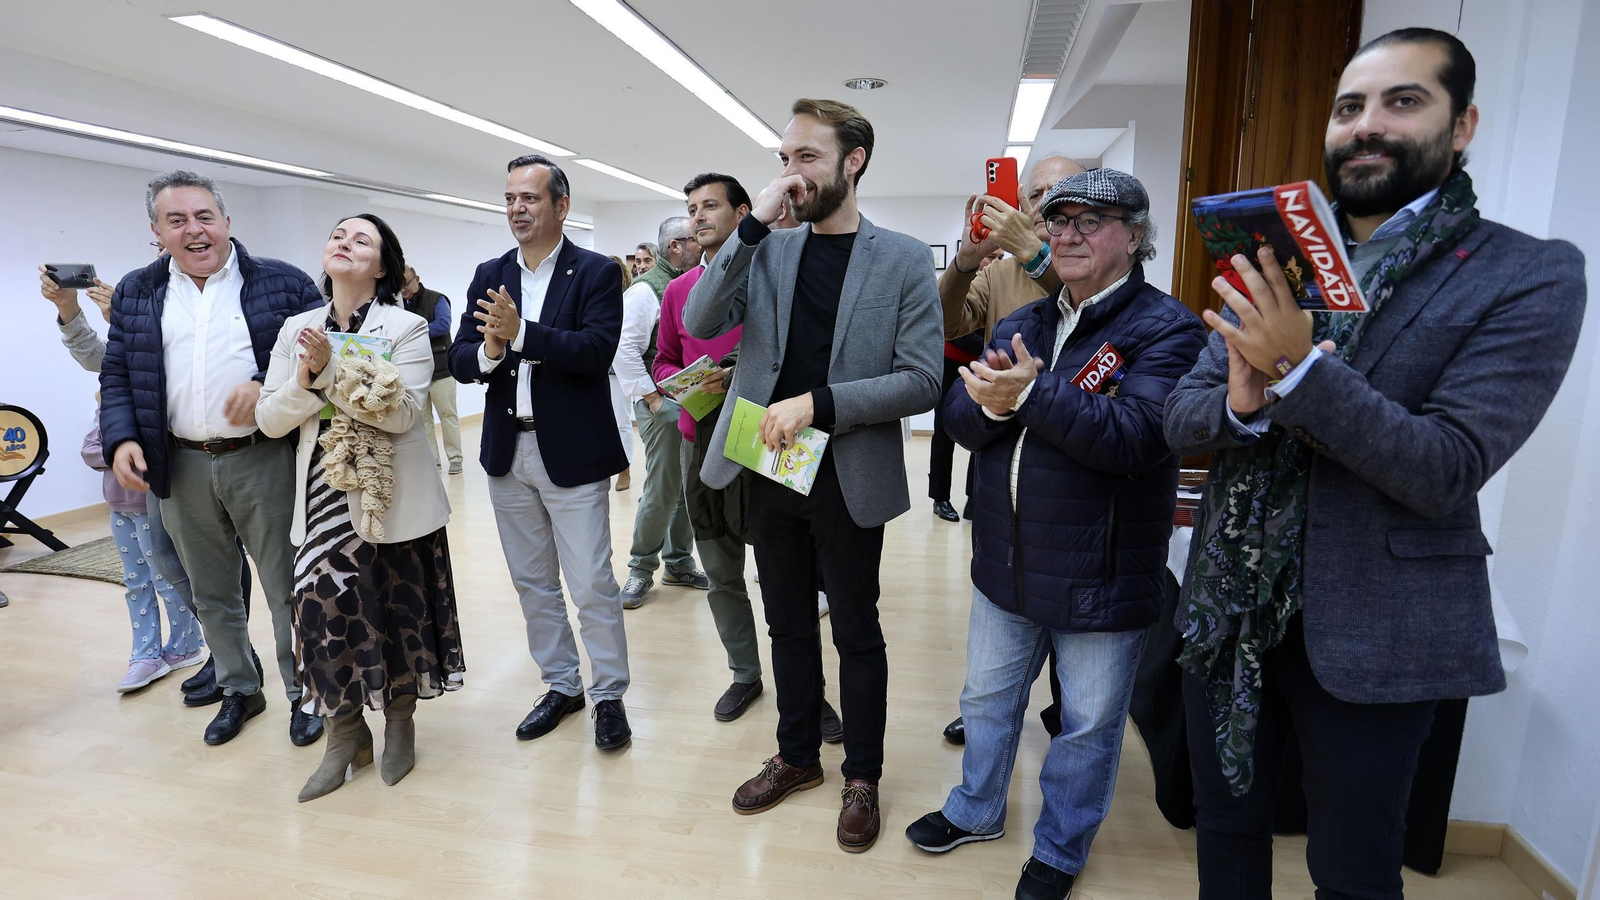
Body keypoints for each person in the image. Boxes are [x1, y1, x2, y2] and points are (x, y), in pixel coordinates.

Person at [1164, 29, 1586, 900]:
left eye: (1403, 101)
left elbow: (1446, 465)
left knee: (1354, 872)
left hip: (1378, 629)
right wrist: (1241, 404)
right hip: (1229, 614)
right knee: (1226, 833)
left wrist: (1304, 371)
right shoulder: (1272, 255)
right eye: (1350, 106)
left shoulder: (1527, 273)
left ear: (1461, 124)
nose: (1367, 126)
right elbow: (1181, 418)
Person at [906, 168, 1205, 900]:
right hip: (1006, 561)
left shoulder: (1168, 328)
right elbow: (962, 417)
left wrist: (1032, 394)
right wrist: (998, 406)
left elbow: (1135, 437)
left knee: (1087, 727)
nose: (1066, 235)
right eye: (1057, 220)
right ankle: (976, 810)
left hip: (1101, 574)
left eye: (1090, 222)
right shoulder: (1028, 321)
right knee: (984, 701)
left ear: (1135, 237)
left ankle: (1061, 849)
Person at [684, 99, 942, 853]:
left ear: (853, 161)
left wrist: (820, 404)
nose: (791, 174)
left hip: (848, 471)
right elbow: (701, 320)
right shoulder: (769, 247)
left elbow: (924, 380)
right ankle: (798, 754)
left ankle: (862, 774)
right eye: (784, 158)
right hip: (768, 465)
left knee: (856, 631)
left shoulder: (899, 258)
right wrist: (751, 225)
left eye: (808, 158)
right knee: (788, 622)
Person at [99, 169, 325, 747]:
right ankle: (239, 689)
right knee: (211, 590)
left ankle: (305, 692)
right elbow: (120, 375)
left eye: (204, 217)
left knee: (285, 584)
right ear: (157, 231)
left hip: (263, 457)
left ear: (227, 222)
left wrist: (264, 384)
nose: (193, 231)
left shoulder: (284, 283)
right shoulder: (136, 291)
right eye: (176, 220)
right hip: (180, 462)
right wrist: (123, 438)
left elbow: (324, 361)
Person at [258, 213, 464, 801]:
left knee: (396, 614)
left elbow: (400, 413)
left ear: (383, 266)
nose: (345, 244)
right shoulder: (296, 328)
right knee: (323, 622)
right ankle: (343, 738)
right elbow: (271, 419)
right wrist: (309, 377)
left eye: (362, 240)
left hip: (389, 496)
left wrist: (326, 375)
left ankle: (399, 723)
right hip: (321, 495)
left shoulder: (407, 328)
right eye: (337, 235)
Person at [449, 154, 633, 750]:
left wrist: (522, 332)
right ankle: (562, 685)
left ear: (561, 205)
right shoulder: (490, 271)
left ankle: (609, 696)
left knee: (592, 585)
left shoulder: (596, 272)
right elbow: (459, 357)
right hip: (508, 453)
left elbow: (596, 350)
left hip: (573, 455)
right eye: (509, 199)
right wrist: (492, 351)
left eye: (529, 198)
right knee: (533, 583)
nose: (517, 209)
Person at [42, 252, 247, 708]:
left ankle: (231, 656)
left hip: (213, 456)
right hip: (164, 465)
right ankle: (224, 654)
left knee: (216, 565)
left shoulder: (222, 301)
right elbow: (103, 360)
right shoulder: (146, 296)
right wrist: (72, 311)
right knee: (175, 569)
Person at [937, 153, 1083, 747]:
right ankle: (990, 707)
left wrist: (1036, 253)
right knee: (1000, 593)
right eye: (1034, 195)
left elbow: (1086, 299)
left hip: (1075, 456)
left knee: (1068, 604)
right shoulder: (998, 273)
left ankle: (1064, 710)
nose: (1043, 204)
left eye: (1059, 193)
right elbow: (948, 323)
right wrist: (965, 263)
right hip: (1002, 455)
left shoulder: (1090, 261)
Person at [617, 216, 709, 608]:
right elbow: (624, 349)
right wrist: (654, 401)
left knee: (687, 487)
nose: (701, 244)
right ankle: (640, 569)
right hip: (662, 403)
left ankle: (679, 562)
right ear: (675, 246)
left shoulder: (689, 282)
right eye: (694, 239)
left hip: (688, 400)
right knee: (662, 488)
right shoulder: (645, 291)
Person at [84, 402, 206, 692]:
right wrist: (120, 453)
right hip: (118, 507)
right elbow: (89, 450)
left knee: (166, 579)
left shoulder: (154, 408)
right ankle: (145, 654)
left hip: (151, 506)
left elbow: (158, 452)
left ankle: (186, 644)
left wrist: (121, 455)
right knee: (135, 583)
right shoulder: (109, 411)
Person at [930, 247, 1003, 523]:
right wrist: (989, 343)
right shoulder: (962, 282)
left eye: (999, 258)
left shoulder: (998, 282)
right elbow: (953, 329)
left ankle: (974, 497)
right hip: (951, 367)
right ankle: (940, 498)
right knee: (944, 434)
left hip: (983, 367)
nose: (994, 262)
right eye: (990, 256)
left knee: (983, 431)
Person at [400, 266, 464, 475]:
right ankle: (432, 460)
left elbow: (443, 325)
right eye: (398, 286)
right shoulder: (400, 306)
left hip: (442, 370)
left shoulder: (438, 299)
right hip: (416, 373)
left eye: (406, 284)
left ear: (416, 279)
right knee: (423, 420)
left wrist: (412, 332)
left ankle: (455, 459)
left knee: (448, 416)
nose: (403, 290)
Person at [607, 255, 636, 491]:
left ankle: (624, 469)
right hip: (596, 368)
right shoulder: (596, 298)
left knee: (620, 421)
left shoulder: (629, 299)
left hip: (618, 371)